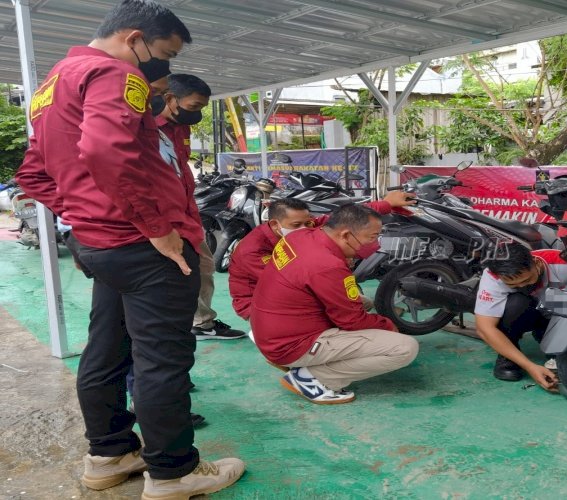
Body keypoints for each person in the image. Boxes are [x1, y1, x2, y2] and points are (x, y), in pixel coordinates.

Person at [14, 1, 244, 497]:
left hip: (101, 242)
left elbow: (32, 171)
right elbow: (103, 150)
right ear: (134, 38)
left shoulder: (54, 82)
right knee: (163, 359)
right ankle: (173, 472)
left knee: (107, 350)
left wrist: (83, 212)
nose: (157, 67)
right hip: (145, 246)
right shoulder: (113, 73)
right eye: (160, 53)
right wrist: (154, 227)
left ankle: (110, 452)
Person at [250, 204, 419, 404]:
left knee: (361, 302)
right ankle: (312, 378)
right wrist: (389, 325)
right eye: (372, 237)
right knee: (404, 347)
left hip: (271, 329)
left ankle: (307, 362)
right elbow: (352, 320)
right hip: (290, 344)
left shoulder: (299, 236)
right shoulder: (327, 265)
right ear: (346, 235)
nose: (375, 244)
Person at [153, 73, 245, 340]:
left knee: (204, 266)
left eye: (202, 108)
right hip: (160, 219)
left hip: (186, 212)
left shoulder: (181, 126)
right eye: (194, 107)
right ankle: (188, 324)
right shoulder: (145, 127)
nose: (198, 114)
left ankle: (200, 321)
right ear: (170, 99)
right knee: (172, 274)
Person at [228, 191, 415, 322]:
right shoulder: (253, 250)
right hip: (258, 302)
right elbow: (288, 283)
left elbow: (343, 218)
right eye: (296, 225)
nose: (304, 228)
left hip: (292, 291)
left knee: (357, 302)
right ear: (276, 224)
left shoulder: (304, 226)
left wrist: (387, 203)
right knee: (337, 308)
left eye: (307, 222)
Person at [474, 243, 567, 391]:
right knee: (516, 302)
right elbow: (485, 328)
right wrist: (530, 366)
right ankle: (509, 357)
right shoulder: (493, 276)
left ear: (536, 263)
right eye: (513, 285)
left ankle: (548, 336)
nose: (522, 286)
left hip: (558, 313)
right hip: (526, 311)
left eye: (526, 280)